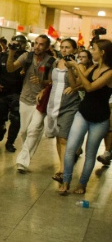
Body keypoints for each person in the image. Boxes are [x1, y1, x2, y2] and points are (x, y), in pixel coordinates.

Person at [59, 39, 112, 195]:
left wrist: (76, 66)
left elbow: (89, 87)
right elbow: (75, 85)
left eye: (93, 49)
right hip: (83, 113)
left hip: (100, 119)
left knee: (90, 153)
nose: (91, 51)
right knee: (70, 149)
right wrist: (70, 68)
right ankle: (66, 181)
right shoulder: (94, 67)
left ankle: (82, 184)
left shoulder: (110, 72)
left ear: (102, 53)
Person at [6, 34, 55, 173]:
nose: (37, 46)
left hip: (41, 102)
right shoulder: (26, 57)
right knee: (24, 131)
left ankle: (22, 161)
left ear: (47, 47)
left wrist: (42, 83)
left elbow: (53, 82)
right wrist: (11, 53)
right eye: (36, 43)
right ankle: (24, 155)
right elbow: (10, 68)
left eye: (41, 44)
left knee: (34, 131)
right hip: (25, 99)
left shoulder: (51, 61)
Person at [43, 39, 80, 184]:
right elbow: (50, 82)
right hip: (54, 103)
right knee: (59, 137)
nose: (64, 50)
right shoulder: (55, 63)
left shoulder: (78, 65)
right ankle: (62, 165)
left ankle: (63, 171)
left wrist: (71, 68)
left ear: (74, 50)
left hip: (69, 105)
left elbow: (78, 84)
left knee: (64, 138)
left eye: (68, 47)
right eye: (62, 47)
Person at [0, 35, 28, 152]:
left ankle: (10, 142)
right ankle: (1, 128)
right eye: (15, 43)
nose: (17, 45)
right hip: (2, 92)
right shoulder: (3, 55)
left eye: (19, 43)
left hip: (18, 93)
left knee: (16, 120)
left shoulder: (27, 58)